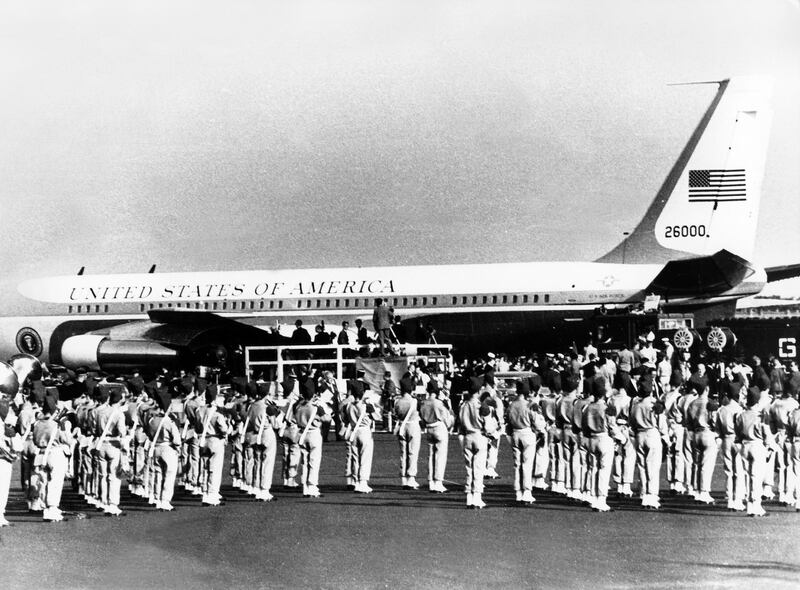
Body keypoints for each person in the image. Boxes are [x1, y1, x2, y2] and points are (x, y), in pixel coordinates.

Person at [735, 387, 775, 516]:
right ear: (757, 402)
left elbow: (738, 432)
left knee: (747, 476)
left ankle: (750, 505)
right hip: (757, 446)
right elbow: (767, 435)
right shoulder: (761, 416)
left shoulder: (741, 415)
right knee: (757, 477)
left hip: (745, 445)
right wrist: (769, 447)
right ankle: (756, 505)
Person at [581, 376, 619, 512]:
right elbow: (612, 426)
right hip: (604, 438)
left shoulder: (587, 407)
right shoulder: (608, 408)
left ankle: (594, 497)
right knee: (604, 469)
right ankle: (601, 499)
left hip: (591, 438)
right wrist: (620, 438)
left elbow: (583, 426)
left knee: (594, 468)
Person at [629, 379, 668, 509]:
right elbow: (661, 424)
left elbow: (632, 422)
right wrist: (665, 436)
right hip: (652, 433)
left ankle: (644, 494)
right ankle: (651, 495)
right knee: (653, 466)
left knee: (642, 466)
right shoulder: (654, 404)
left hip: (639, 434)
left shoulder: (636, 405)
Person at [506, 379, 546, 504]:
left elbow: (508, 420)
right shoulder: (530, 405)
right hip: (527, 433)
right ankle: (527, 492)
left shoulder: (511, 404)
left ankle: (518, 491)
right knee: (527, 464)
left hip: (515, 433)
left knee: (517, 464)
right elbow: (538, 423)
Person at [93, 385, 127, 516]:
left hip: (101, 444)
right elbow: (122, 432)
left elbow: (94, 428)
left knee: (102, 475)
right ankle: (113, 504)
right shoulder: (118, 413)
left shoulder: (99, 412)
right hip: (114, 444)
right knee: (114, 476)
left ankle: (103, 501)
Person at [146, 387, 181, 511]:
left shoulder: (151, 420)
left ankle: (157, 499)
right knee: (169, 475)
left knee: (157, 474)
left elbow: (149, 435)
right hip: (168, 448)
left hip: (155, 448)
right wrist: (177, 448)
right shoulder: (169, 421)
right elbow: (177, 440)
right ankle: (165, 500)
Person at [196, 384, 231, 506]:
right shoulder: (217, 413)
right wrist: (229, 428)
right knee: (214, 469)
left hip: (203, 440)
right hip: (215, 440)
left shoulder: (200, 410)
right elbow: (224, 429)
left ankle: (205, 493)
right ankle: (212, 495)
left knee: (204, 468)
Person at [685, 377, 718, 504]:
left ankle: (697, 490)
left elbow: (688, 421)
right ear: (707, 389)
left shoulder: (692, 403)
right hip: (707, 433)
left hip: (695, 433)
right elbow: (713, 420)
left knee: (697, 464)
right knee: (707, 465)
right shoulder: (711, 403)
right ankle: (704, 491)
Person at [714, 381, 745, 510]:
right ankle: (737, 499)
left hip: (726, 439)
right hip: (737, 440)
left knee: (729, 471)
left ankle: (730, 498)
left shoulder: (722, 410)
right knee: (739, 471)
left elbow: (717, 429)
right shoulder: (740, 410)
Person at [419, 379, 453, 493]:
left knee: (431, 455)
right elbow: (447, 418)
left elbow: (421, 418)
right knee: (440, 455)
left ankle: (431, 481)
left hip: (428, 427)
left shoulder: (423, 402)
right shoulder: (438, 403)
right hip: (439, 427)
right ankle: (438, 482)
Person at [344, 380, 379, 493]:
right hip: (364, 431)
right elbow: (377, 417)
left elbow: (345, 419)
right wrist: (371, 405)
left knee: (355, 458)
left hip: (353, 431)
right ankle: (363, 482)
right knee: (365, 457)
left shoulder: (348, 406)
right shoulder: (366, 405)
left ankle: (356, 481)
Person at [459, 377, 488, 508]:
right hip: (479, 435)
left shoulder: (463, 405)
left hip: (467, 436)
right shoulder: (481, 405)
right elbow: (488, 426)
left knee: (469, 468)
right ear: (479, 390)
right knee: (478, 468)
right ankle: (477, 496)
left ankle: (469, 497)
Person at [294, 375, 324, 498]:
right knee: (314, 461)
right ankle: (312, 485)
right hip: (313, 433)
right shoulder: (315, 407)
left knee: (304, 461)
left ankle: (305, 486)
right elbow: (326, 418)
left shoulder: (298, 406)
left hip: (301, 433)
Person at [393, 373, 421, 489]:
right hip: (413, 425)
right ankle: (411, 477)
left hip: (401, 427)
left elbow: (396, 414)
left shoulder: (397, 401)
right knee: (412, 453)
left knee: (403, 453)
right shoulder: (414, 401)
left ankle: (403, 478)